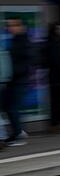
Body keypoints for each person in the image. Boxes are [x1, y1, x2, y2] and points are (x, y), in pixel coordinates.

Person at [3, 17, 31, 146]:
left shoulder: (23, 41)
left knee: (12, 108)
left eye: (13, 25)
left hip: (19, 80)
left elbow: (26, 62)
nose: (10, 28)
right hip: (13, 80)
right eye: (9, 25)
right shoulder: (15, 40)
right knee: (9, 107)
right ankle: (18, 131)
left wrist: (13, 73)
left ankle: (18, 135)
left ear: (21, 26)